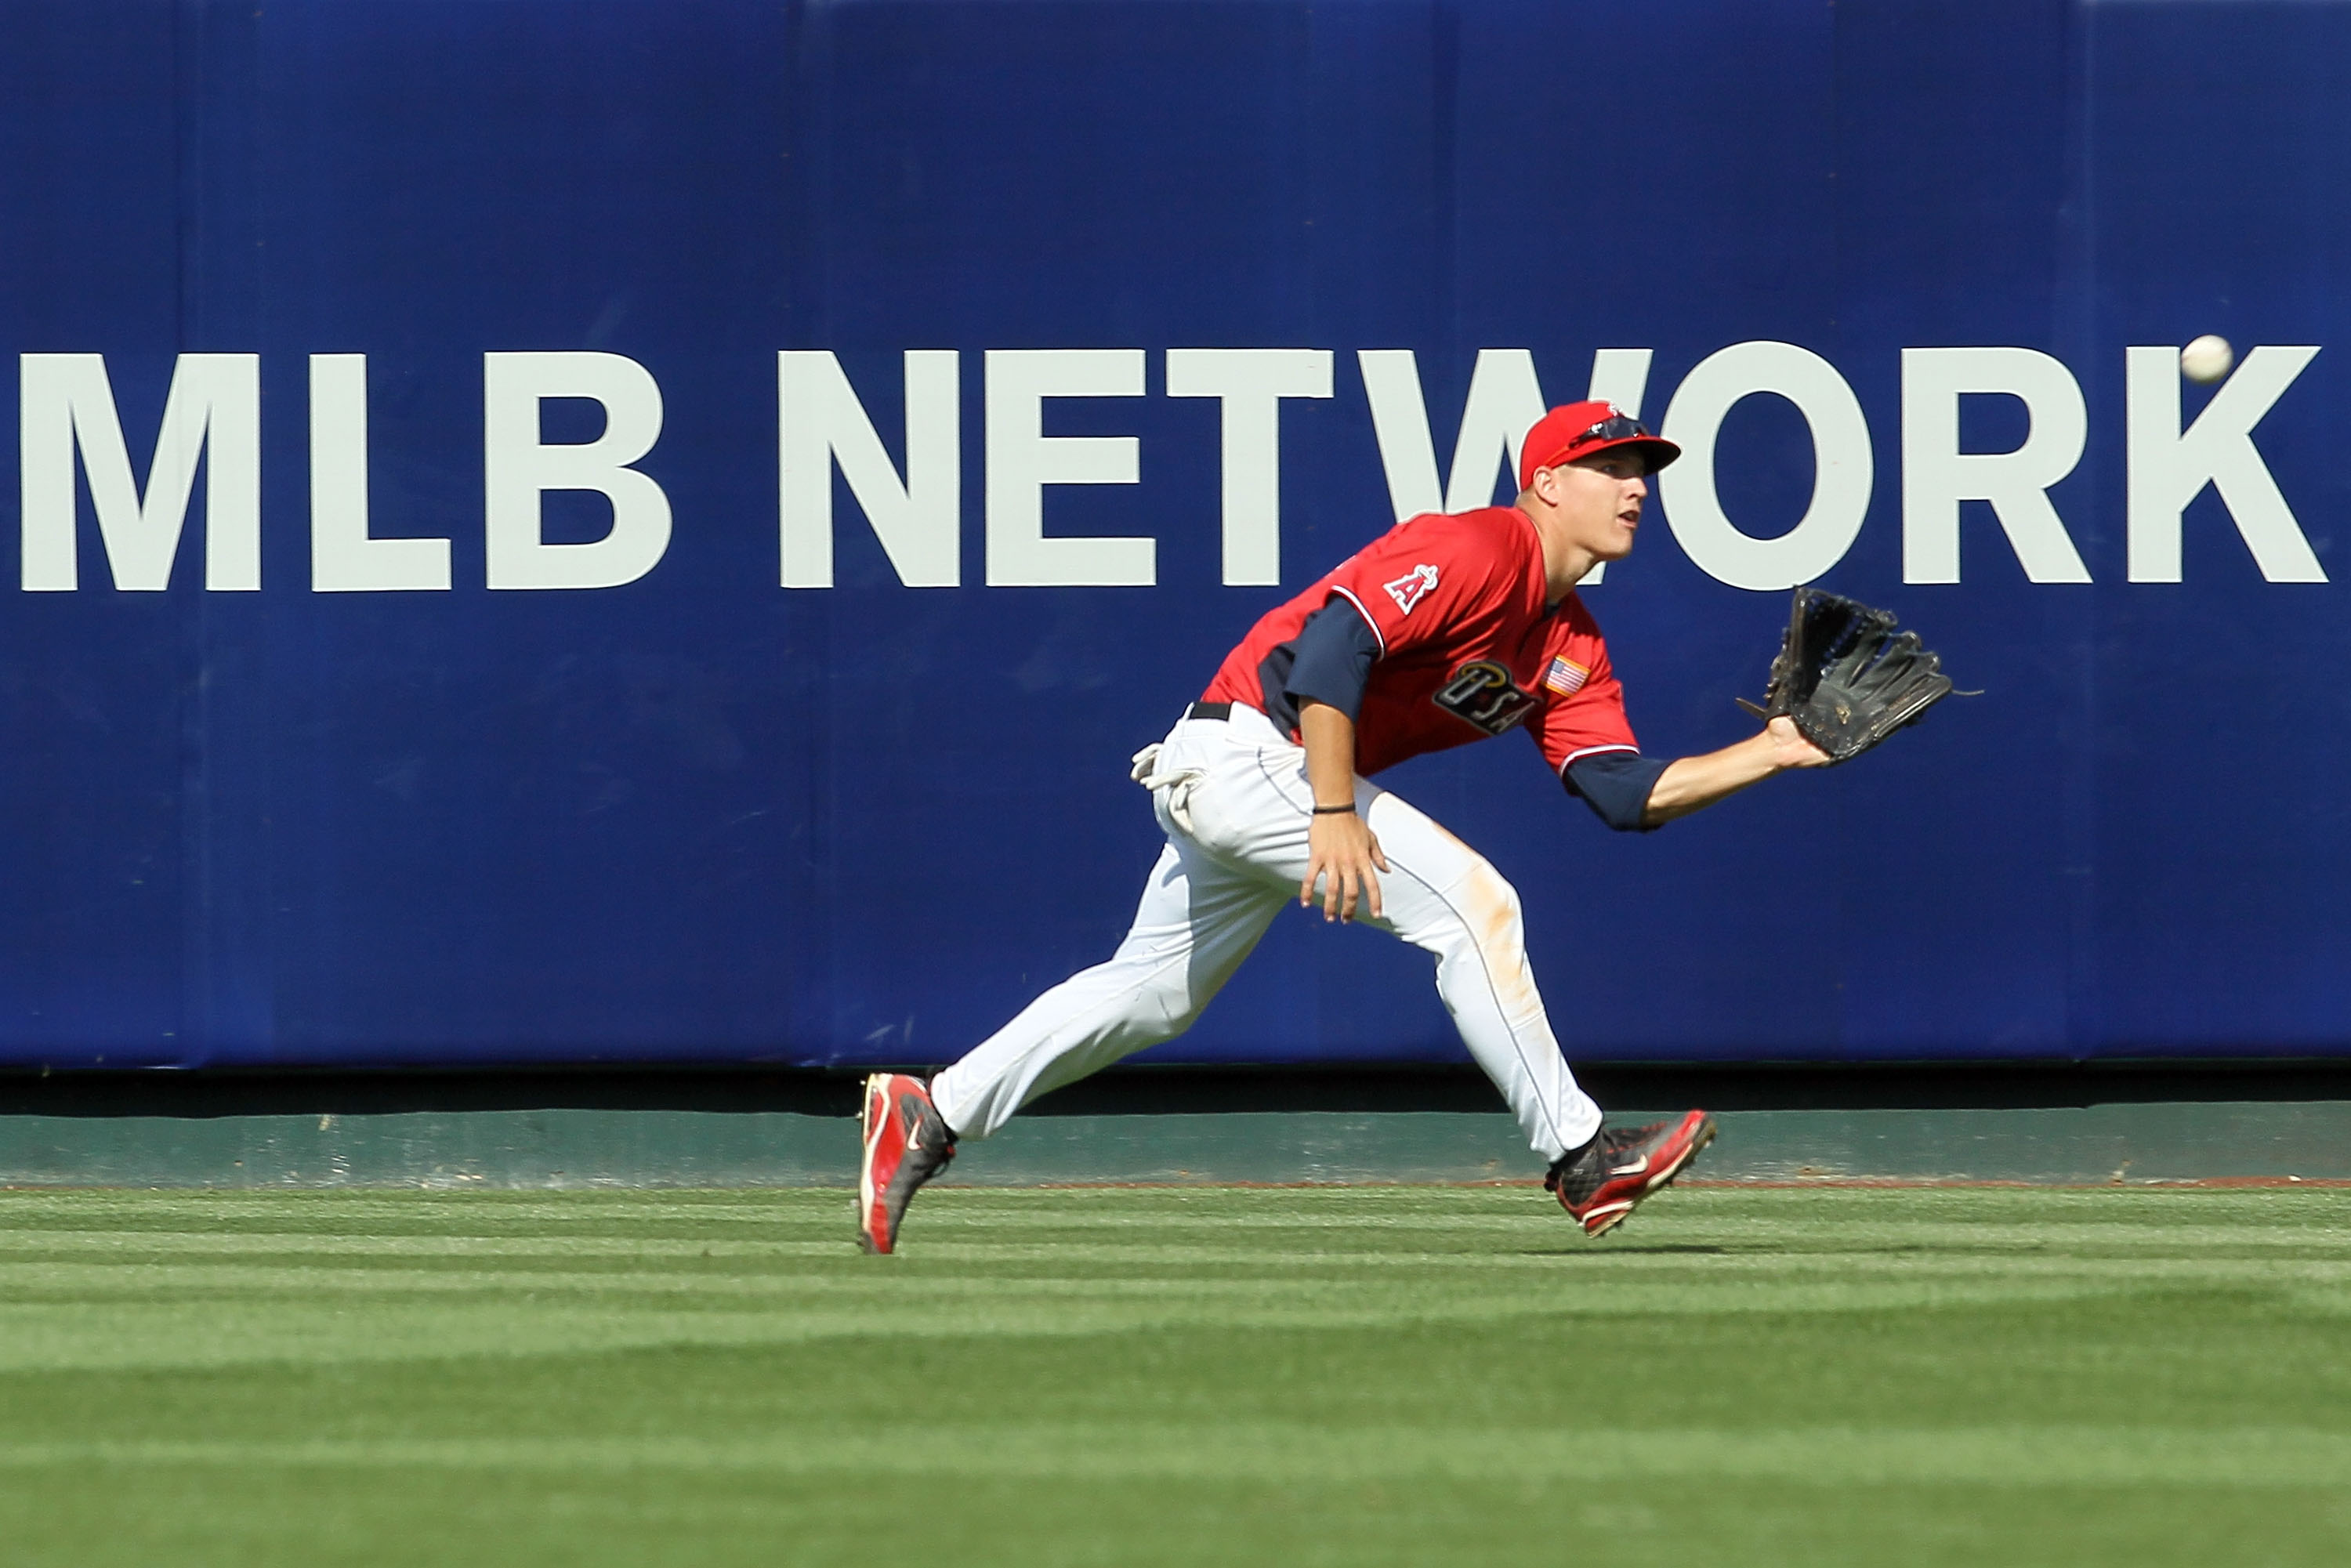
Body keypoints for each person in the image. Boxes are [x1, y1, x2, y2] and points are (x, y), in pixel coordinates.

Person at [857, 401, 1832, 1253]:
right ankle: (1584, 1157)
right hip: (1253, 753)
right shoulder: (1476, 547)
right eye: (1610, 468)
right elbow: (1329, 655)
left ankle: (932, 1112)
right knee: (1478, 906)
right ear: (1546, 484)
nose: (1635, 489)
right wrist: (1331, 810)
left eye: (1642, 472)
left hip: (1261, 776)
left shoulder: (1571, 640)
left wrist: (1773, 752)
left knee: (1154, 996)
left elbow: (1621, 791)